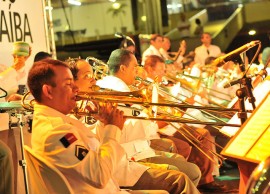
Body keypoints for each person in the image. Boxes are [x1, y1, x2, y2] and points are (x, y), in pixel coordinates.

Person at [28, 58, 200, 193]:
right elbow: (99, 174)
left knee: (180, 176)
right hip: (108, 183)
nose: (75, 89)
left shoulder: (56, 121)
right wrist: (113, 128)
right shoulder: (57, 132)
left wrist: (104, 125)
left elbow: (92, 149)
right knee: (181, 181)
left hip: (112, 179)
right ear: (48, 91)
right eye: (68, 84)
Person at [143, 55, 228, 192]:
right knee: (183, 146)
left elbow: (170, 109)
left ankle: (205, 180)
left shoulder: (160, 85)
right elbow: (156, 116)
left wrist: (182, 105)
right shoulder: (145, 87)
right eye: (160, 70)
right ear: (149, 69)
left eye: (164, 70)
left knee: (203, 134)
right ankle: (192, 180)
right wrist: (182, 106)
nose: (163, 73)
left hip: (171, 125)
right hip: (160, 129)